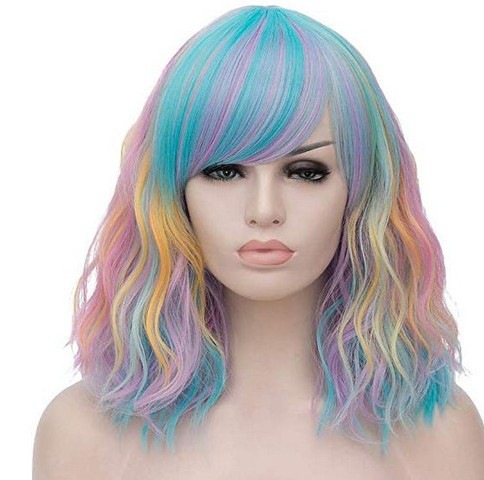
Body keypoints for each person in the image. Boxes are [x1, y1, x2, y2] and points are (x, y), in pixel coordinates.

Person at [33, 5, 484, 478]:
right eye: (224, 171)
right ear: (173, 193)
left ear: (362, 191)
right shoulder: (84, 436)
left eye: (305, 172)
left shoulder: (438, 437)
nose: (264, 210)